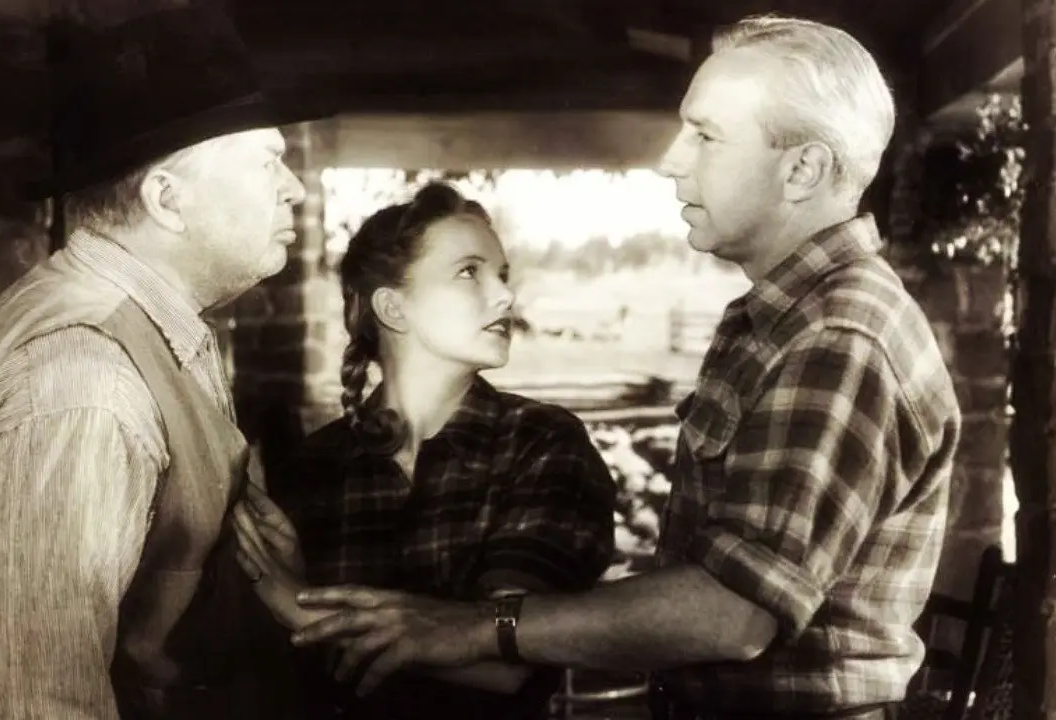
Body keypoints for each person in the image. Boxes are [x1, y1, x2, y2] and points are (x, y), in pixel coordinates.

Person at [285, 15, 962, 720]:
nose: (672, 159)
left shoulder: (838, 337)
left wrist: (470, 626)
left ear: (803, 169)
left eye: (705, 135)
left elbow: (735, 614)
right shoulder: (787, 320)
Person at [0, 4, 333, 719]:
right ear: (166, 198)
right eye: (266, 162)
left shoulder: (130, 324)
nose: (293, 187)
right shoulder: (86, 381)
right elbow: (36, 702)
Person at [233, 182, 619, 720]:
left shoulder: (542, 442)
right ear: (393, 307)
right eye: (469, 272)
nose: (505, 295)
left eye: (503, 274)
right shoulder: (311, 469)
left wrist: (300, 610)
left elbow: (508, 660)